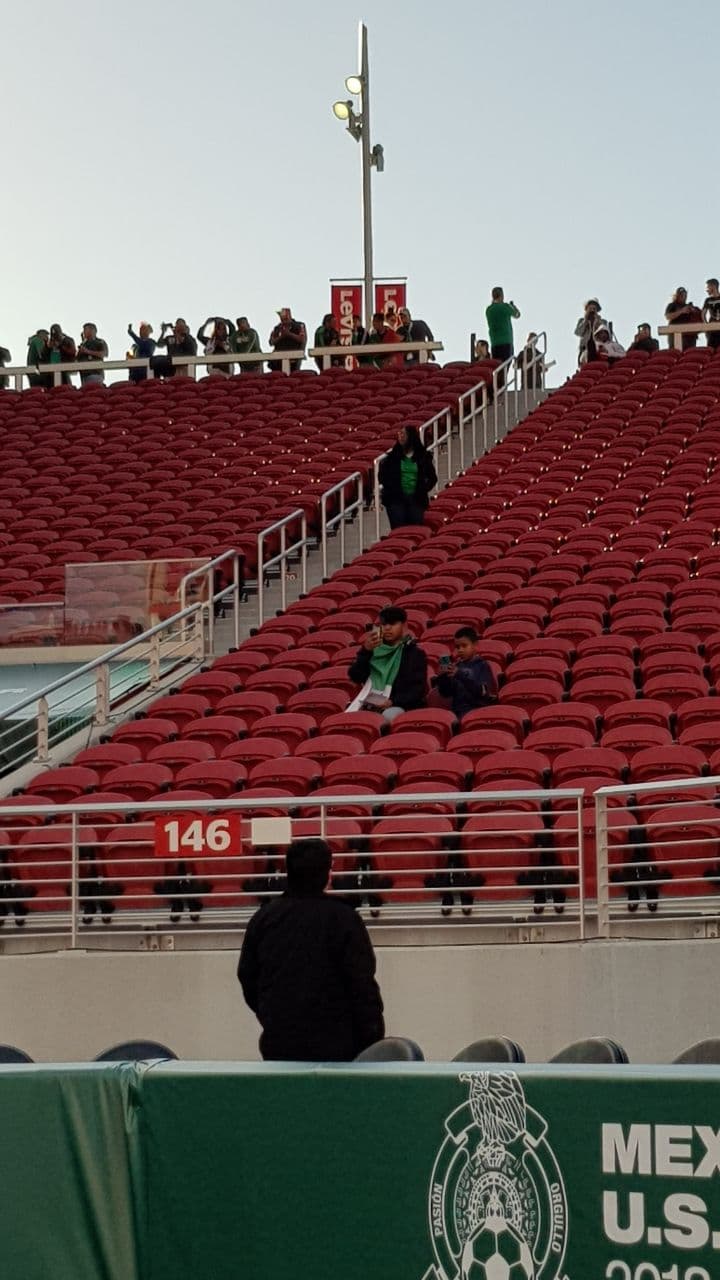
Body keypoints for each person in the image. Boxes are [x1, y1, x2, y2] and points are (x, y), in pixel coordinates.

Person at [237, 837, 385, 1061]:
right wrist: (372, 1038)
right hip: (341, 1049)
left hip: (279, 1045)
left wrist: (271, 1017)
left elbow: (248, 977)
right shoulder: (345, 918)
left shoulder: (264, 918)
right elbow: (362, 984)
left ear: (288, 871)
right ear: (328, 873)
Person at [347, 604, 428, 723]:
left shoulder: (415, 654)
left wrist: (392, 701)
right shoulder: (373, 650)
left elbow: (417, 690)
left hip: (400, 706)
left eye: (393, 624)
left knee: (388, 716)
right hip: (371, 704)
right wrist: (365, 651)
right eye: (384, 624)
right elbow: (355, 676)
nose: (387, 628)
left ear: (404, 626)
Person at [378, 424, 437, 529]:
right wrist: (391, 488)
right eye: (399, 434)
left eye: (403, 434)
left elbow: (432, 478)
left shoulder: (422, 456)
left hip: (416, 500)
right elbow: (382, 477)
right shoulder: (392, 458)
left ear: (411, 436)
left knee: (415, 529)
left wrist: (422, 489)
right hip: (395, 500)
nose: (400, 437)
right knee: (399, 529)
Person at [432, 627, 498, 721]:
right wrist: (443, 677)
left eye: (464, 646)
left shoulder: (482, 665)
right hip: (457, 713)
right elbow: (446, 693)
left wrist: (459, 674)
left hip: (477, 712)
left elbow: (482, 692)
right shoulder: (456, 666)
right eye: (457, 647)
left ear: (475, 645)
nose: (460, 650)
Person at [485, 287, 520, 363]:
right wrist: (514, 307)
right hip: (506, 341)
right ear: (502, 295)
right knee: (505, 365)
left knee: (497, 366)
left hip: (494, 342)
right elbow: (517, 315)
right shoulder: (505, 307)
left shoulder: (489, 310)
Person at [268, 307, 306, 372]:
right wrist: (281, 337)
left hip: (293, 355)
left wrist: (289, 334)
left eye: (285, 318)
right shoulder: (277, 328)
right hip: (277, 358)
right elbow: (271, 342)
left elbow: (302, 339)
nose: (283, 320)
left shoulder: (299, 325)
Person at [574, 298, 610, 365]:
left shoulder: (603, 322)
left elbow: (607, 336)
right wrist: (586, 321)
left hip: (599, 349)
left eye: (594, 309)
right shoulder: (582, 321)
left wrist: (598, 322)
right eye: (590, 309)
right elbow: (577, 333)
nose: (592, 311)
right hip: (585, 350)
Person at [703, 278, 720, 350]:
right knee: (711, 349)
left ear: (713, 286)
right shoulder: (708, 300)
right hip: (712, 330)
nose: (706, 289)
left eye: (708, 287)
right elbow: (703, 314)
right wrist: (706, 326)